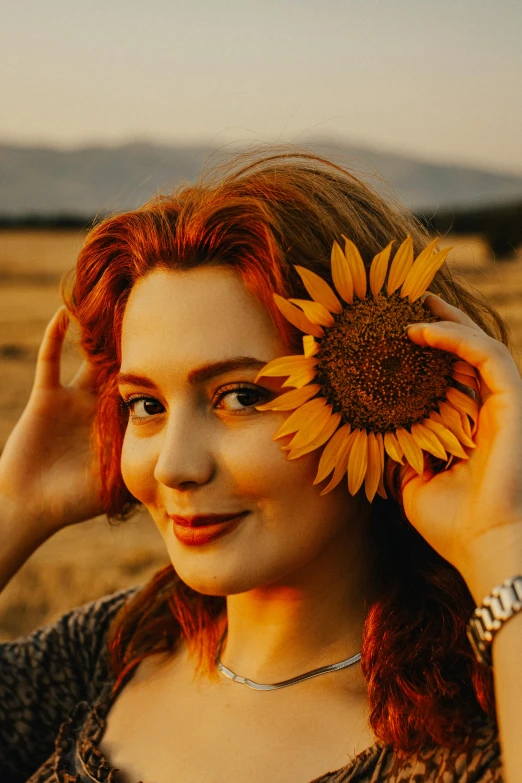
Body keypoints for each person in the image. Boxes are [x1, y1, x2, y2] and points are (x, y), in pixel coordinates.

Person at [0, 149, 521, 783]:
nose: (173, 466)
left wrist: (500, 542)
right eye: (145, 405)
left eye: (243, 396)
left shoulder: (468, 738)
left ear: (382, 395)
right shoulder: (110, 653)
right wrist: (17, 507)